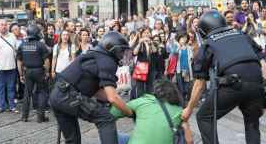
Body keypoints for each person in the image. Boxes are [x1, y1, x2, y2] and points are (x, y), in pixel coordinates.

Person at [182, 10, 265, 144]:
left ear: (204, 30)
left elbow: (199, 84)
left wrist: (189, 108)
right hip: (256, 84)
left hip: (233, 84)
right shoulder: (242, 35)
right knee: (252, 122)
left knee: (204, 117)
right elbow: (262, 61)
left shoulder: (208, 44)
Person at [49, 31, 133, 144]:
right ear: (113, 49)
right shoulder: (108, 61)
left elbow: (97, 92)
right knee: (106, 119)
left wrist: (118, 102)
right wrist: (130, 112)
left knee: (72, 140)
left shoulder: (94, 54)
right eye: (122, 51)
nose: (123, 55)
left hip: (57, 95)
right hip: (69, 96)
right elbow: (112, 98)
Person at [111, 79, 193, 144]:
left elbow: (112, 113)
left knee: (116, 135)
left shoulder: (142, 101)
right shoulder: (179, 111)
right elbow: (189, 141)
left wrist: (131, 113)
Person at [17, 24, 50, 123]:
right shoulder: (41, 45)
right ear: (36, 33)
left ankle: (24, 116)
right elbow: (47, 61)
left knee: (27, 94)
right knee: (42, 93)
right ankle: (40, 117)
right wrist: (47, 72)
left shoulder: (22, 45)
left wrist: (21, 74)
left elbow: (19, 61)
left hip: (27, 71)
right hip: (39, 70)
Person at [0, 19, 18, 114]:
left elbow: (16, 51)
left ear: (7, 26)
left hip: (11, 67)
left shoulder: (13, 36)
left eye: (5, 25)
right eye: (2, 25)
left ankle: (12, 106)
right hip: (0, 68)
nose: (4, 26)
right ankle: (1, 106)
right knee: (0, 89)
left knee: (11, 88)